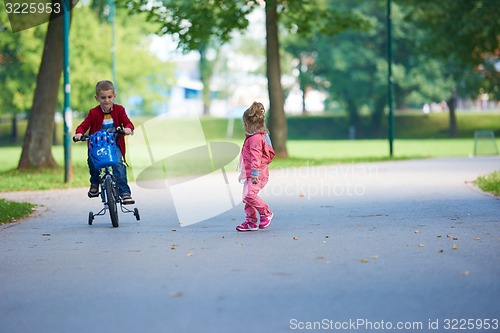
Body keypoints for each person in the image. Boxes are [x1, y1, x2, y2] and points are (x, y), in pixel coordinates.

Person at [74, 80, 135, 204]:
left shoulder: (119, 110)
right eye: (103, 98)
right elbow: (83, 126)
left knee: (118, 165)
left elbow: (128, 123)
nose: (106, 100)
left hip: (114, 145)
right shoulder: (93, 113)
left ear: (114, 96)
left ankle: (124, 192)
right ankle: (95, 183)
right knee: (92, 162)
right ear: (97, 98)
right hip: (97, 146)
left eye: (109, 97)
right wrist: (79, 134)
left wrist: (127, 129)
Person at [236, 101, 275, 232]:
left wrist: (254, 173)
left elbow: (256, 157)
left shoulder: (255, 139)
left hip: (257, 173)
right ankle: (251, 222)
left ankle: (266, 213)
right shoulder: (255, 137)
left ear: (247, 124)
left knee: (249, 196)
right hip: (251, 173)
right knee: (247, 199)